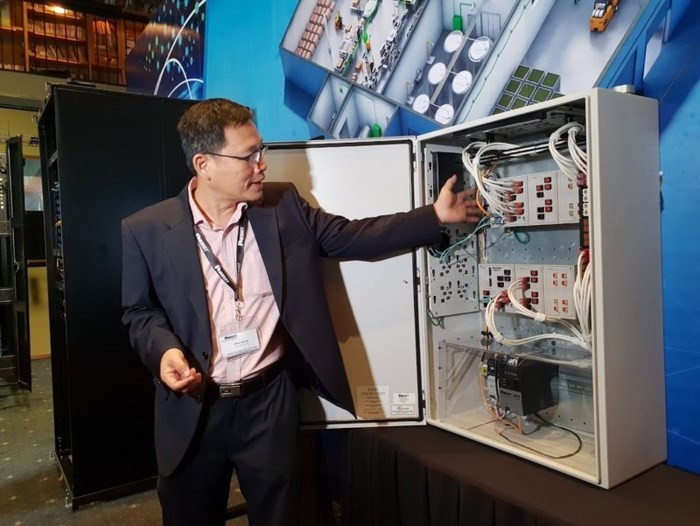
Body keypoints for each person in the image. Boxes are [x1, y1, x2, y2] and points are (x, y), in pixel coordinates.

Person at [121, 98, 482, 526]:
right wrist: (163, 351)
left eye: (261, 151)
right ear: (204, 164)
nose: (261, 165)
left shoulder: (282, 206)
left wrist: (435, 216)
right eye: (248, 156)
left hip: (268, 404)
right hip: (194, 408)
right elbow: (139, 312)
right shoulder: (145, 229)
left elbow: (350, 236)